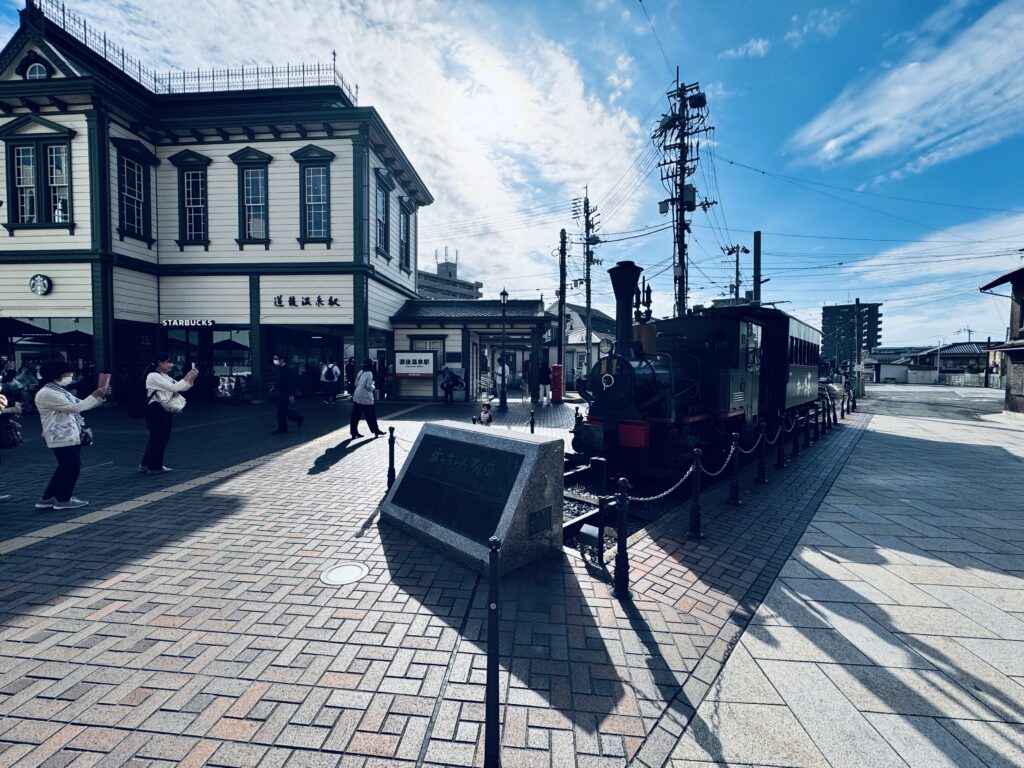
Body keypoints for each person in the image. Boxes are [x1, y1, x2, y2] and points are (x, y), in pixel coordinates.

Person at [34, 360, 110, 510]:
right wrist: (95, 395)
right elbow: (75, 408)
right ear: (55, 375)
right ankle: (63, 499)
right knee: (72, 466)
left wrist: (100, 396)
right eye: (67, 374)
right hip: (60, 435)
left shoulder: (59, 391)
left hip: (65, 434)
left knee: (65, 466)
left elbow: (81, 404)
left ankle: (47, 498)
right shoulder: (48, 393)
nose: (70, 376)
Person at [141, 354, 198, 474]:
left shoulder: (165, 376)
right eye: (168, 362)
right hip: (155, 408)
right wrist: (187, 376)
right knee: (159, 438)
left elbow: (181, 388)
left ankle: (146, 464)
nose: (171, 365)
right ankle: (154, 467)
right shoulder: (153, 376)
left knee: (157, 437)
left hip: (163, 408)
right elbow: (174, 387)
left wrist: (191, 378)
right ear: (159, 363)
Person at [350, 358, 385, 439]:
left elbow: (356, 383)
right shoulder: (369, 374)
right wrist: (373, 386)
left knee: (355, 416)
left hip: (357, 395)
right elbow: (368, 387)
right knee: (371, 415)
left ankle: (354, 432)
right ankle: (376, 430)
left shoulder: (360, 372)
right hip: (365, 397)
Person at [271, 354, 304, 434]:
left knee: (281, 412)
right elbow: (279, 381)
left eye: (276, 359)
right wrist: (274, 387)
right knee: (283, 411)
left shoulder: (287, 370)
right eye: (274, 358)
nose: (275, 360)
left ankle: (285, 427)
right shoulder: (280, 369)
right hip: (282, 392)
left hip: (286, 393)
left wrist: (291, 395)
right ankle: (294, 421)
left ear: (282, 360)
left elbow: (291, 383)